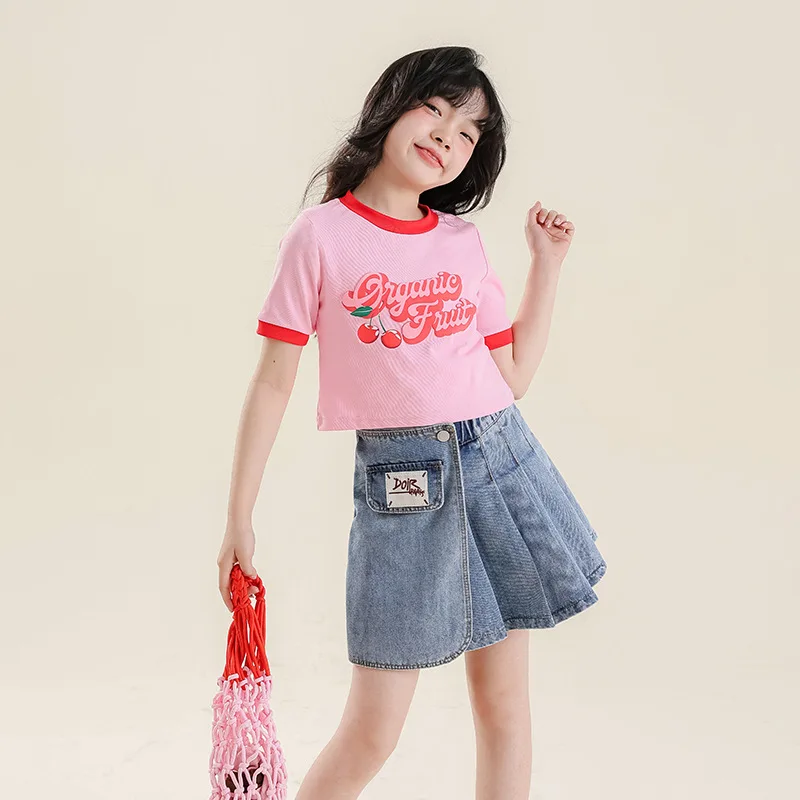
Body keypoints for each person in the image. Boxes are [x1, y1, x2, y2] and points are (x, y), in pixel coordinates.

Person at [217, 45, 607, 800]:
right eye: (435, 109)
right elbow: (272, 380)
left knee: (504, 705)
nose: (446, 136)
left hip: (500, 461)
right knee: (374, 729)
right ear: (391, 105)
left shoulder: (461, 242)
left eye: (467, 133)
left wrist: (547, 264)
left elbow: (512, 377)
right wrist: (239, 516)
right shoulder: (320, 236)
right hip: (405, 484)